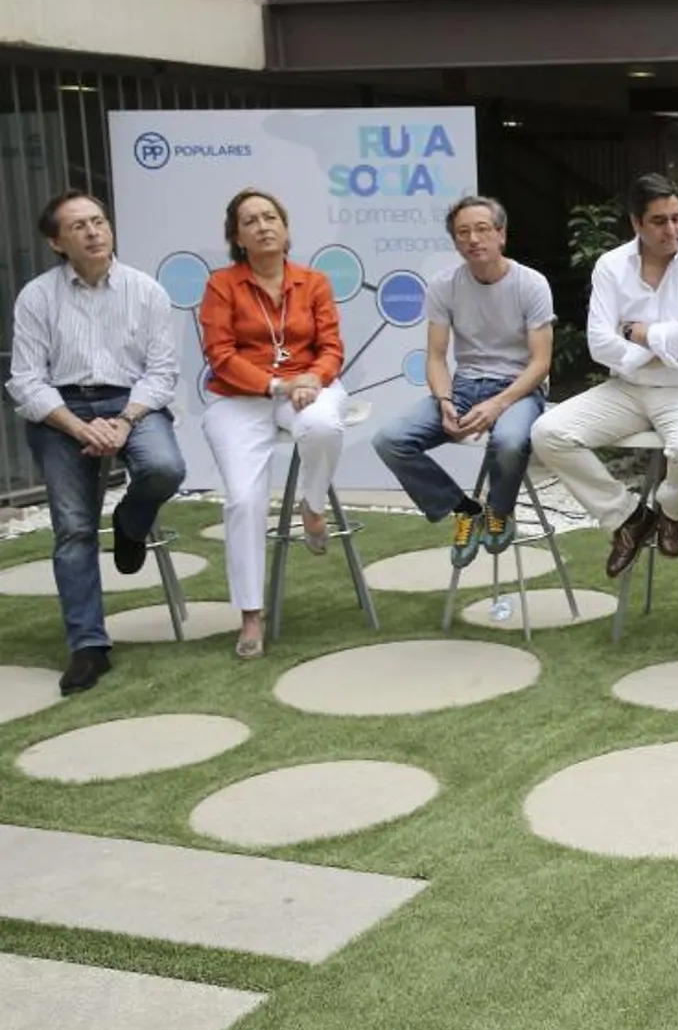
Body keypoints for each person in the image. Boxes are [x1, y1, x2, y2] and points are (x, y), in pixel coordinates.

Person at [6, 190, 184, 696]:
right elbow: (25, 381)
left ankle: (131, 523)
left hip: (132, 402)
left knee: (165, 468)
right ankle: (88, 645)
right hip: (61, 411)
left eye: (99, 221)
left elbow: (162, 373)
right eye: (79, 226)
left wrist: (124, 421)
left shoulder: (145, 290)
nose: (94, 232)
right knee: (74, 529)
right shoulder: (37, 296)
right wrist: (77, 426)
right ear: (55, 241)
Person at [531, 173, 678, 578]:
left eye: (677, 218)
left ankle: (671, 512)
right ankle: (628, 518)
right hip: (627, 389)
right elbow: (599, 345)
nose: (672, 229)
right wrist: (664, 349)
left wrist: (637, 333)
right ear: (636, 223)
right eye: (660, 221)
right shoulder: (611, 266)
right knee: (548, 433)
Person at [199, 187, 347, 660]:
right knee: (244, 501)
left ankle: (312, 503)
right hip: (242, 397)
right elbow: (219, 356)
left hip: (307, 385)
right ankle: (250, 615)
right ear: (237, 237)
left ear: (285, 229)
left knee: (323, 425)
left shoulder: (313, 281)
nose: (263, 226)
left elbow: (331, 347)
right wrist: (274, 385)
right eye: (250, 221)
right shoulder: (222, 284)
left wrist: (313, 378)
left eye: (270, 218)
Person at [372, 196, 554, 567]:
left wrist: (498, 403)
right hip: (465, 386)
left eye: (482, 229)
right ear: (455, 242)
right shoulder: (444, 285)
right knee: (389, 440)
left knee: (508, 440)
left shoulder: (531, 284)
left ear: (501, 235)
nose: (473, 239)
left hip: (519, 389)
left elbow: (540, 363)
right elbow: (437, 356)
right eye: (463, 233)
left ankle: (499, 512)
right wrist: (443, 400)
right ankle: (463, 509)